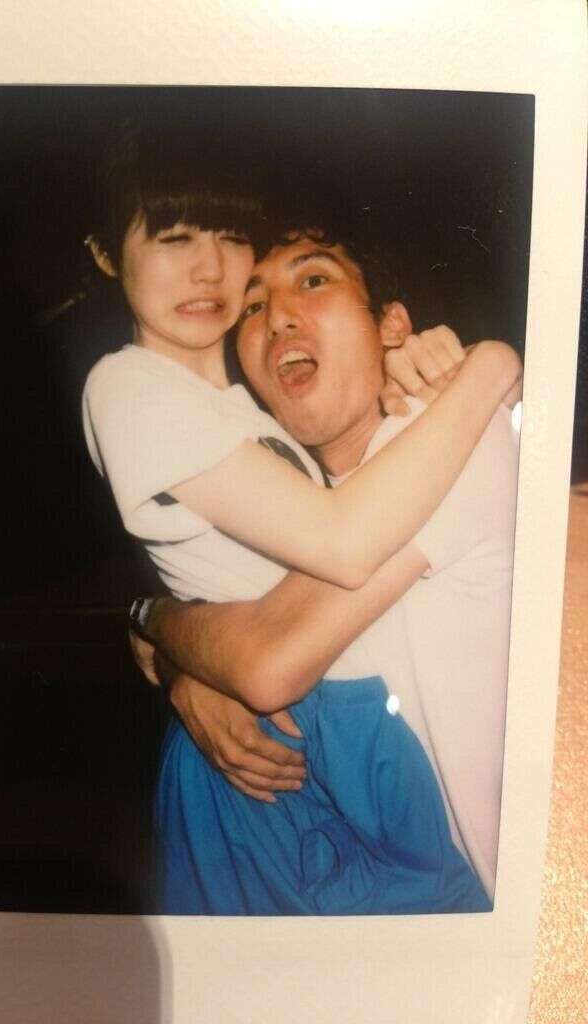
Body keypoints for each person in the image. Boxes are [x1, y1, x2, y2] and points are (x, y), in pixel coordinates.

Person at [81, 123, 521, 914]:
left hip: (350, 762)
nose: (212, 271)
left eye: (230, 239)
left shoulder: (273, 427)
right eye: (175, 238)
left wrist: (167, 635)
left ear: (391, 324)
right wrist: (493, 365)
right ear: (107, 256)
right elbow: (329, 556)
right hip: (282, 763)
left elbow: (262, 638)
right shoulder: (130, 386)